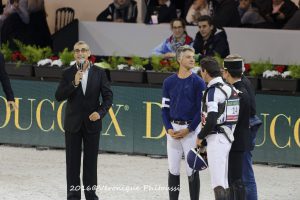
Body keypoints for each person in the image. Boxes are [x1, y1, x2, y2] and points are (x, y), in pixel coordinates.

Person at [55, 41, 113, 200]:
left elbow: (108, 97)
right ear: (74, 54)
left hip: (92, 124)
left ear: (89, 53)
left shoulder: (100, 72)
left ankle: (91, 195)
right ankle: (73, 196)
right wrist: (74, 82)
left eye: (83, 50)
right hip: (72, 125)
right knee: (72, 164)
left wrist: (100, 113)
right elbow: (58, 96)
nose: (80, 53)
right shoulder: (67, 73)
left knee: (90, 163)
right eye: (77, 51)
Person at [161, 45, 206, 200]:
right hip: (173, 131)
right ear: (179, 59)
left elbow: (201, 111)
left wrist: (189, 129)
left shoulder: (199, 82)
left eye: (193, 57)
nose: (192, 59)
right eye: (188, 57)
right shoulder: (168, 82)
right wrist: (168, 129)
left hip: (191, 131)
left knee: (191, 169)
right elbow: (164, 109)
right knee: (173, 169)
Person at [197, 56, 239, 200]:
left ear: (205, 72)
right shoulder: (228, 87)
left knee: (218, 183)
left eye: (201, 71)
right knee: (224, 181)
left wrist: (200, 137)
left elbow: (212, 119)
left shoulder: (213, 92)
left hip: (217, 139)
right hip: (227, 138)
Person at [222, 55, 251, 200]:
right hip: (239, 140)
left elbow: (230, 120)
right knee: (234, 178)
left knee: (235, 179)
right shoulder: (242, 89)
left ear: (226, 72)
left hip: (234, 141)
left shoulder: (236, 93)